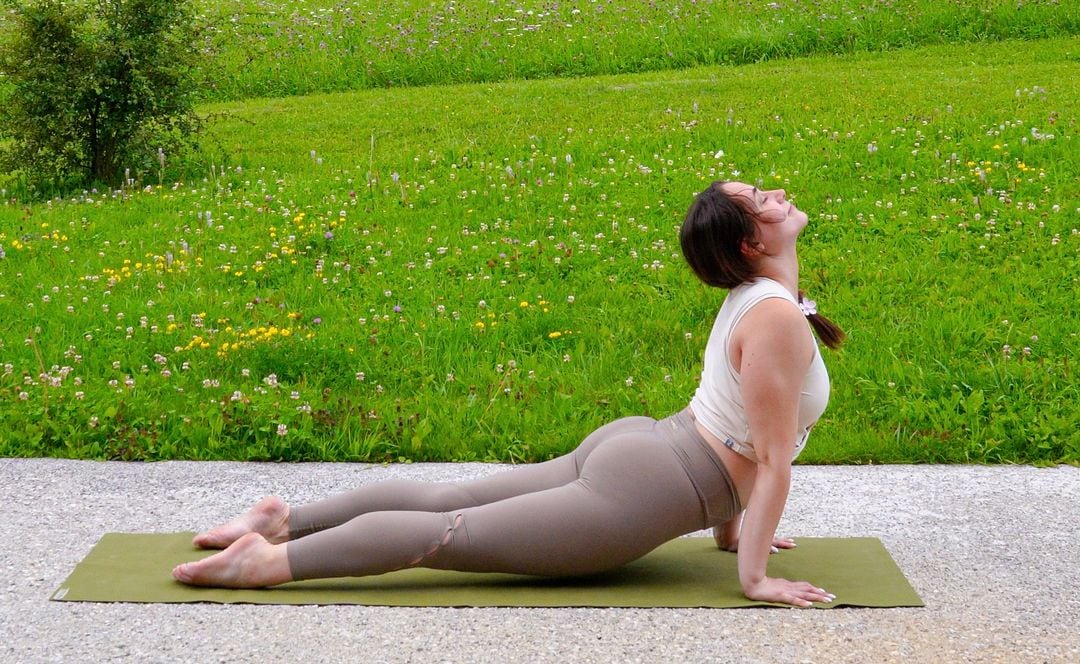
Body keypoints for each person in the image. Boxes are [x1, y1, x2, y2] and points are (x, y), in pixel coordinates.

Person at [174, 181, 846, 607]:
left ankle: (283, 519)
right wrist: (754, 580)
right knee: (448, 533)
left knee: (449, 500)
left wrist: (731, 531)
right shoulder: (774, 316)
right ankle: (268, 561)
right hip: (648, 485)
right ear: (750, 242)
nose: (779, 193)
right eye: (762, 199)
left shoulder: (758, 300)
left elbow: (738, 425)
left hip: (648, 448)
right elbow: (770, 460)